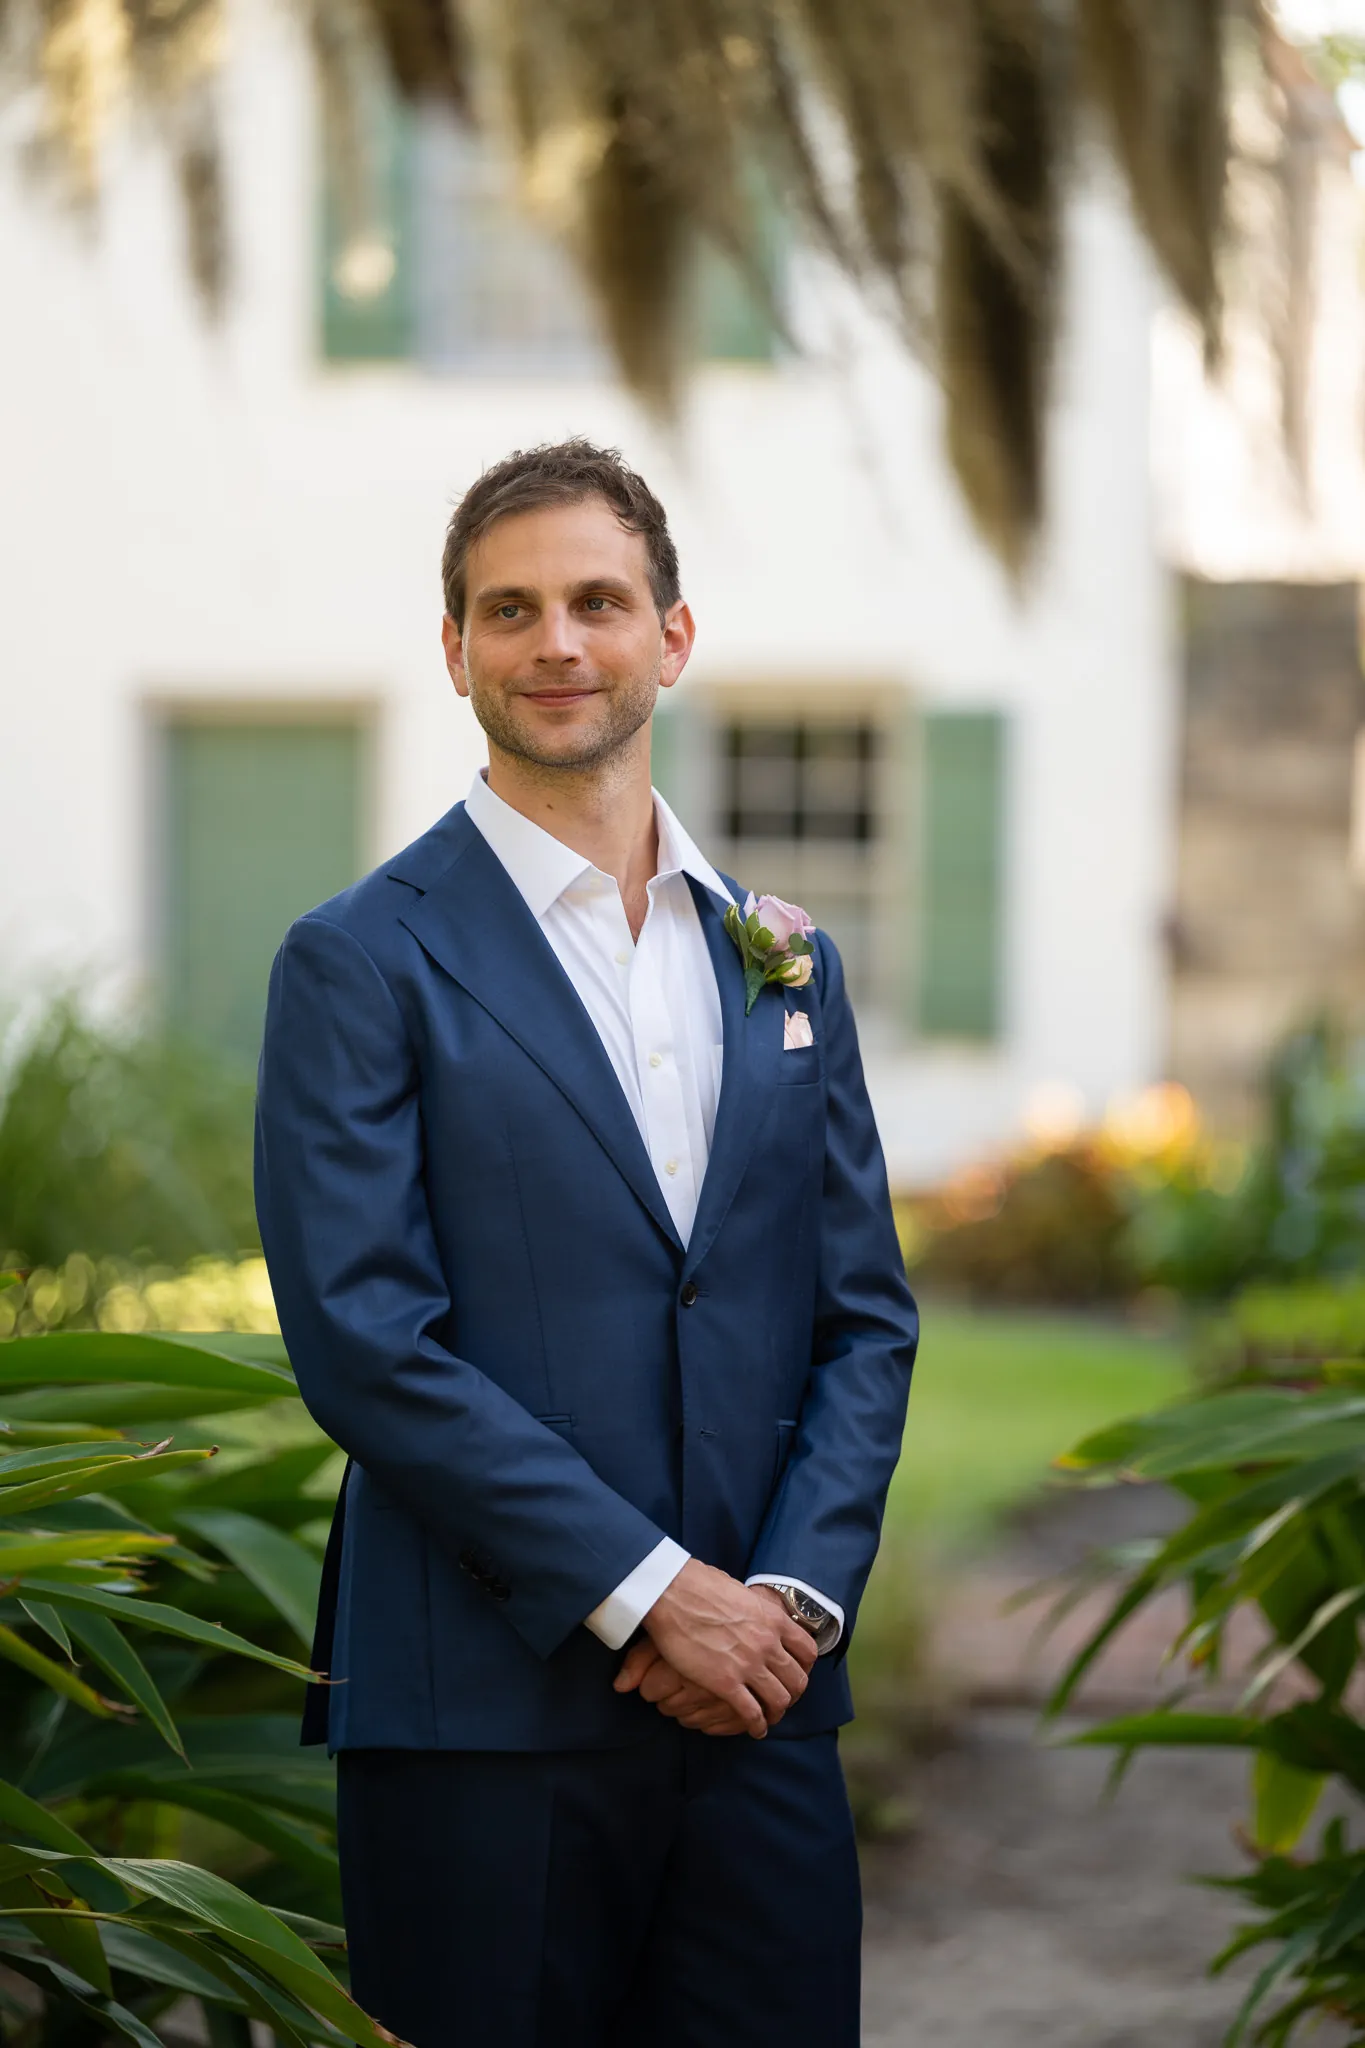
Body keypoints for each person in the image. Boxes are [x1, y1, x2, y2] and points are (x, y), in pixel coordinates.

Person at [254, 439, 918, 2047]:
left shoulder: (783, 962)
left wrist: (786, 1603)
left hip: (761, 1706)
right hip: (482, 1716)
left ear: (670, 639)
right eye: (512, 610)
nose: (559, 642)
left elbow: (863, 1320)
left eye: (599, 602)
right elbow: (365, 1338)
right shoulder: (358, 962)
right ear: (457, 651)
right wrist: (648, 1592)